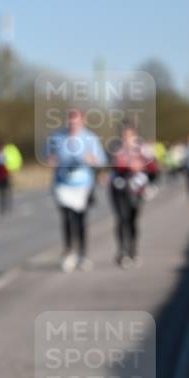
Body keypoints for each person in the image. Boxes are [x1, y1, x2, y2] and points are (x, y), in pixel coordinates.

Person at [46, 107, 106, 272]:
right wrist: (52, 161)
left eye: (76, 119)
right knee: (66, 219)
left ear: (82, 120)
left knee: (80, 220)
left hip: (83, 185)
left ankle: (83, 254)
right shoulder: (56, 138)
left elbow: (100, 160)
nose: (73, 122)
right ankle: (68, 253)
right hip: (62, 184)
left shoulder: (90, 138)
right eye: (70, 119)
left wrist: (91, 159)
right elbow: (49, 157)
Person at [109, 122, 159, 268]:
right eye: (124, 134)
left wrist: (141, 168)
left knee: (132, 220)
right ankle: (122, 252)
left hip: (136, 190)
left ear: (135, 135)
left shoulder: (143, 149)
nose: (126, 137)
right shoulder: (116, 148)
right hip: (118, 189)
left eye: (130, 135)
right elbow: (110, 165)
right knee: (121, 218)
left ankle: (133, 250)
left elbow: (154, 169)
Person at [0, 137, 23, 215]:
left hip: (6, 175)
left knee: (7, 192)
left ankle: (7, 206)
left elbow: (11, 163)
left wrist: (11, 171)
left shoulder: (6, 153)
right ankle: (1, 207)